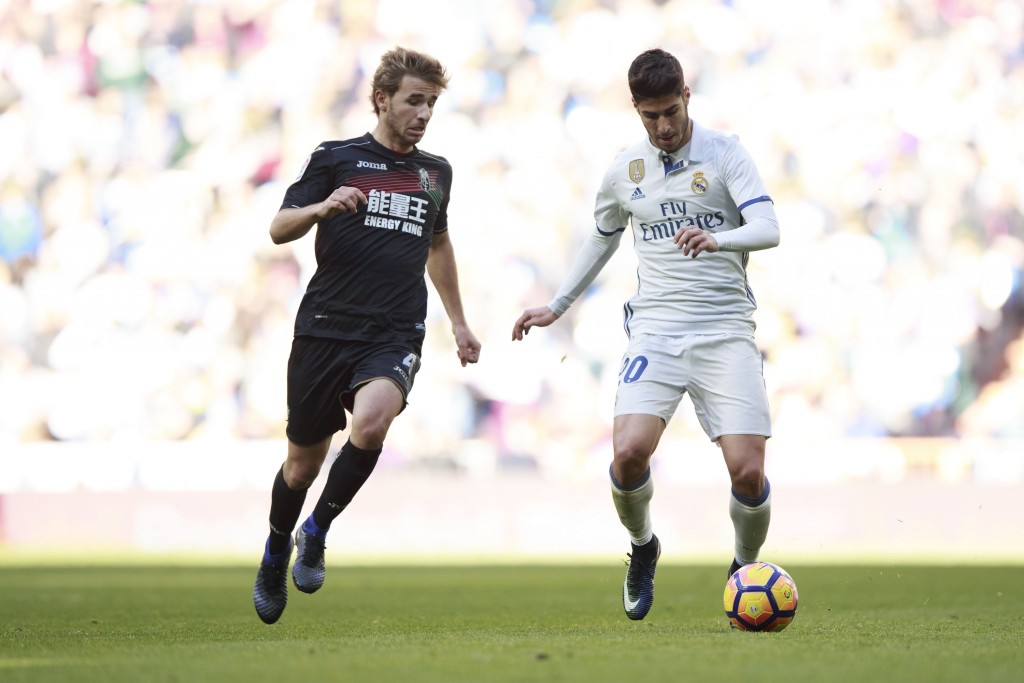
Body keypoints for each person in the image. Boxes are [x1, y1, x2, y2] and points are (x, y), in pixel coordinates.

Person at [512, 48, 780, 621]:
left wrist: (719, 239)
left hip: (725, 331)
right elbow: (602, 236)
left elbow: (768, 227)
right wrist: (557, 305)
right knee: (629, 454)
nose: (663, 127)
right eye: (651, 116)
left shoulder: (726, 153)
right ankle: (643, 547)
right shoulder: (624, 169)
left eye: (671, 113)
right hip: (656, 333)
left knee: (748, 471)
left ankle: (743, 566)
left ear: (688, 97)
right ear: (636, 109)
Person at [253, 46, 481, 624]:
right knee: (301, 466)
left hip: (395, 328)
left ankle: (317, 528)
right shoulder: (336, 158)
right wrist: (323, 208)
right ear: (382, 99)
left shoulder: (436, 173)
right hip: (325, 327)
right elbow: (279, 228)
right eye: (414, 100)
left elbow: (438, 244)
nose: (424, 113)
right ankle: (277, 545)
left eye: (431, 102)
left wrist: (457, 320)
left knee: (373, 420)